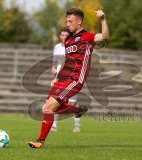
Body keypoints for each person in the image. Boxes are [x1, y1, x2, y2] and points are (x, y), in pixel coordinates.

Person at [28, 8, 109, 148]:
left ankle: (40, 142)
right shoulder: (68, 40)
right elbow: (67, 61)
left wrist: (103, 20)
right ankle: (76, 110)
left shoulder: (88, 37)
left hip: (76, 79)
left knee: (49, 107)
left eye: (70, 21)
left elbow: (105, 36)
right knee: (47, 109)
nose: (67, 23)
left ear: (79, 21)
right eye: (67, 21)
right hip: (64, 78)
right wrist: (57, 77)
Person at [51, 28, 81, 133]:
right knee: (55, 101)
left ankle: (77, 125)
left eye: (66, 35)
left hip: (71, 78)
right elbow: (55, 59)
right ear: (60, 36)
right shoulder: (57, 47)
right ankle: (54, 125)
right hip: (59, 77)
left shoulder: (73, 48)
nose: (64, 37)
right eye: (62, 35)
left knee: (72, 104)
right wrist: (54, 67)